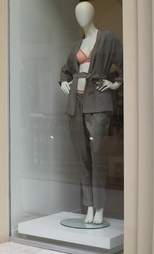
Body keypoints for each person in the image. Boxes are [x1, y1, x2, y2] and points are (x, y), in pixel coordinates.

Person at [59, 1, 123, 224]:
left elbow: (125, 63)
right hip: (75, 104)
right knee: (82, 157)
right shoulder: (77, 44)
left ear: (92, 14)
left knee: (97, 156)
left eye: (84, 12)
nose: (81, 17)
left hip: (98, 103)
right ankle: (89, 205)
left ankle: (100, 207)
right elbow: (65, 71)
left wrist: (116, 83)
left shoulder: (107, 39)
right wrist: (63, 83)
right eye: (78, 13)